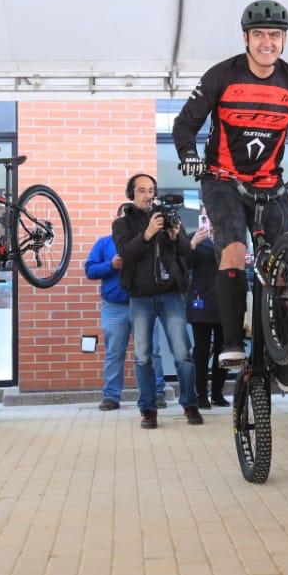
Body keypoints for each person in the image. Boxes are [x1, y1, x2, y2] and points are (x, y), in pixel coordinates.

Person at [173, 0, 288, 374]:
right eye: (260, 34)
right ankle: (232, 342)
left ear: (284, 40)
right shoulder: (222, 75)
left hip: (269, 184)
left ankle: (284, 345)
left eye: (275, 35)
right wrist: (188, 154)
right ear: (246, 37)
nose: (268, 42)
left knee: (287, 262)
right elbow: (185, 124)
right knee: (233, 250)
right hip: (222, 180)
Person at [112, 173, 202, 429]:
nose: (147, 195)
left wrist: (175, 236)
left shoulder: (167, 216)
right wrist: (148, 233)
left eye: (151, 190)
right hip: (140, 296)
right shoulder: (123, 223)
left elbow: (186, 250)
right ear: (132, 194)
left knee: (183, 353)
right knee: (143, 356)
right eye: (141, 190)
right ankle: (148, 410)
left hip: (171, 293)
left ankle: (190, 404)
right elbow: (125, 253)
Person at [85, 207, 167, 411]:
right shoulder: (104, 243)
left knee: (152, 352)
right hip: (114, 307)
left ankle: (157, 394)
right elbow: (89, 270)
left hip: (145, 304)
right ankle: (111, 397)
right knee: (114, 353)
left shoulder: (151, 240)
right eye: (125, 216)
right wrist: (110, 265)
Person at [186, 206, 228, 408]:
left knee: (224, 349)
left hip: (225, 299)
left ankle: (218, 393)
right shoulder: (192, 237)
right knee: (201, 350)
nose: (210, 218)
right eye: (206, 215)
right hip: (200, 299)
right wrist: (193, 244)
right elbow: (184, 265)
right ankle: (200, 394)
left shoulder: (229, 236)